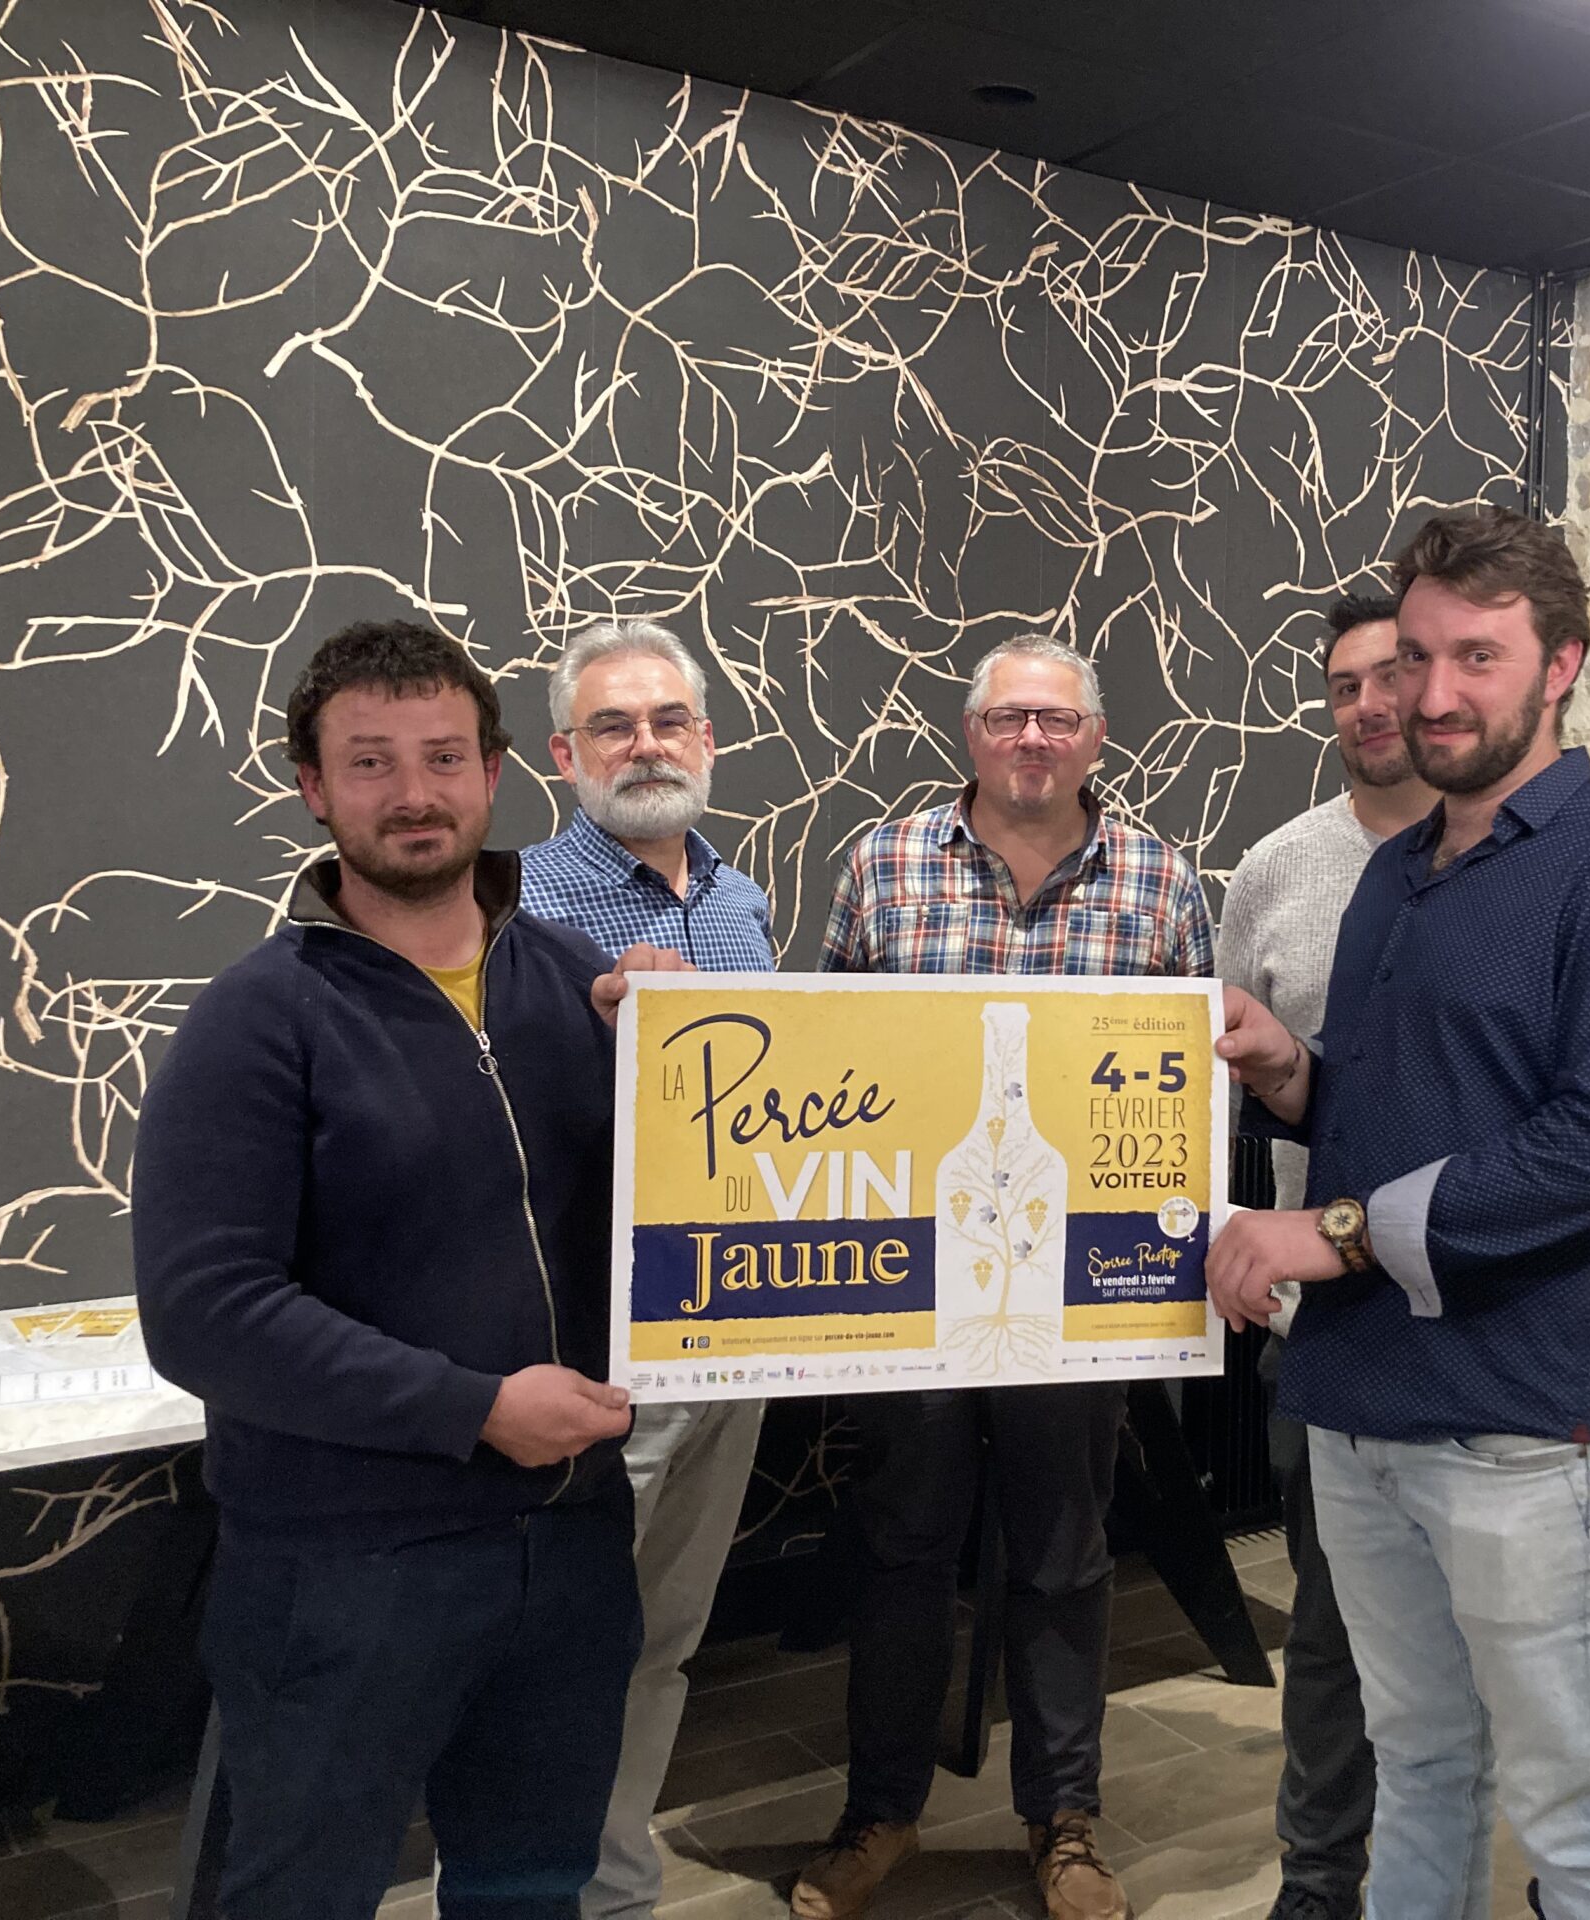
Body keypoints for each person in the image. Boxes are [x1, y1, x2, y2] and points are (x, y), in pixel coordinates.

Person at [1209, 508, 1590, 1920]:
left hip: (1525, 1430)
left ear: (1561, 665)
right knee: (1419, 1767)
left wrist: (1330, 1235)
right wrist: (1293, 1072)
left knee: (1582, 1821)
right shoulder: (1393, 873)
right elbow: (1403, 1112)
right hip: (1355, 1408)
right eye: (1413, 659)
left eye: (1475, 659)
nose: (1429, 695)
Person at [136, 620, 674, 1919]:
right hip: (346, 1573)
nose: (413, 793)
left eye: (442, 757)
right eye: (370, 762)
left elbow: (665, 1223)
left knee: (530, 1890)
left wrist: (680, 1059)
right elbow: (206, 1315)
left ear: (494, 774)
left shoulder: (580, 989)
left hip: (568, 1543)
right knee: (300, 1896)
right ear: (314, 790)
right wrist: (472, 1408)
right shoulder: (257, 1019)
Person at [794, 636, 1215, 1920]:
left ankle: (1064, 1822)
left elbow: (1192, 1085)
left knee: (1064, 1557)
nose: (1032, 739)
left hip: (1081, 1296)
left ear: (1095, 738)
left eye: (1057, 720)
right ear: (970, 734)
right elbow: (832, 1059)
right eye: (1008, 718)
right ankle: (880, 1813)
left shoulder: (1160, 879)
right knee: (901, 1547)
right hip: (912, 1291)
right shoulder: (883, 865)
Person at [521, 617, 774, 1920]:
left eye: (669, 720)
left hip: (736, 1325)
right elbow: (480, 1111)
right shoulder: (516, 904)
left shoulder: (741, 901)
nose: (646, 744)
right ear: (563, 753)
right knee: (560, 1642)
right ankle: (516, 1891)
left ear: (707, 740)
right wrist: (587, 1028)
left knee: (665, 1636)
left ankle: (614, 1887)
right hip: (592, 1335)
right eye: (613, 725)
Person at [1212, 589, 1431, 1920]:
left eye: (1390, 675)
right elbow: (1241, 1073)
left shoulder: (1513, 864)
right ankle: (1320, 1881)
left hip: (1479, 1314)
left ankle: (1442, 1860)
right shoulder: (1275, 870)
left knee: (1490, 1640)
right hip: (1322, 1323)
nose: (1369, 705)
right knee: (1332, 1629)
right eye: (1343, 686)